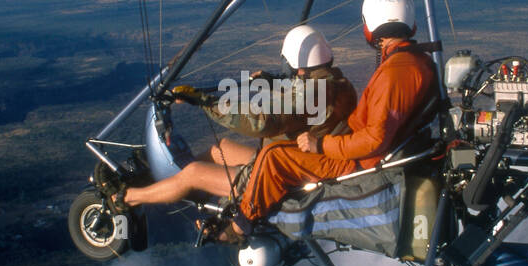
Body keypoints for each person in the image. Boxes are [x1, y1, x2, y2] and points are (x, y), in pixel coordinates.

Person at [218, 0, 438, 243]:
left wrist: (321, 143)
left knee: (273, 156)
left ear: (371, 24)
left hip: (359, 162)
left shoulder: (397, 70)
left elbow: (374, 139)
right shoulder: (418, 61)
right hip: (366, 153)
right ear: (410, 24)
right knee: (281, 149)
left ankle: (241, 226)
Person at [116, 25, 356, 211]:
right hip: (292, 162)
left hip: (282, 178)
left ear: (295, 63)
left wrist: (206, 102)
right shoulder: (334, 82)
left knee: (193, 172)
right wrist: (274, 82)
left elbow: (261, 122)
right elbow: (300, 104)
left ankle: (125, 199)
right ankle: (180, 187)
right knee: (220, 149)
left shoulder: (315, 91)